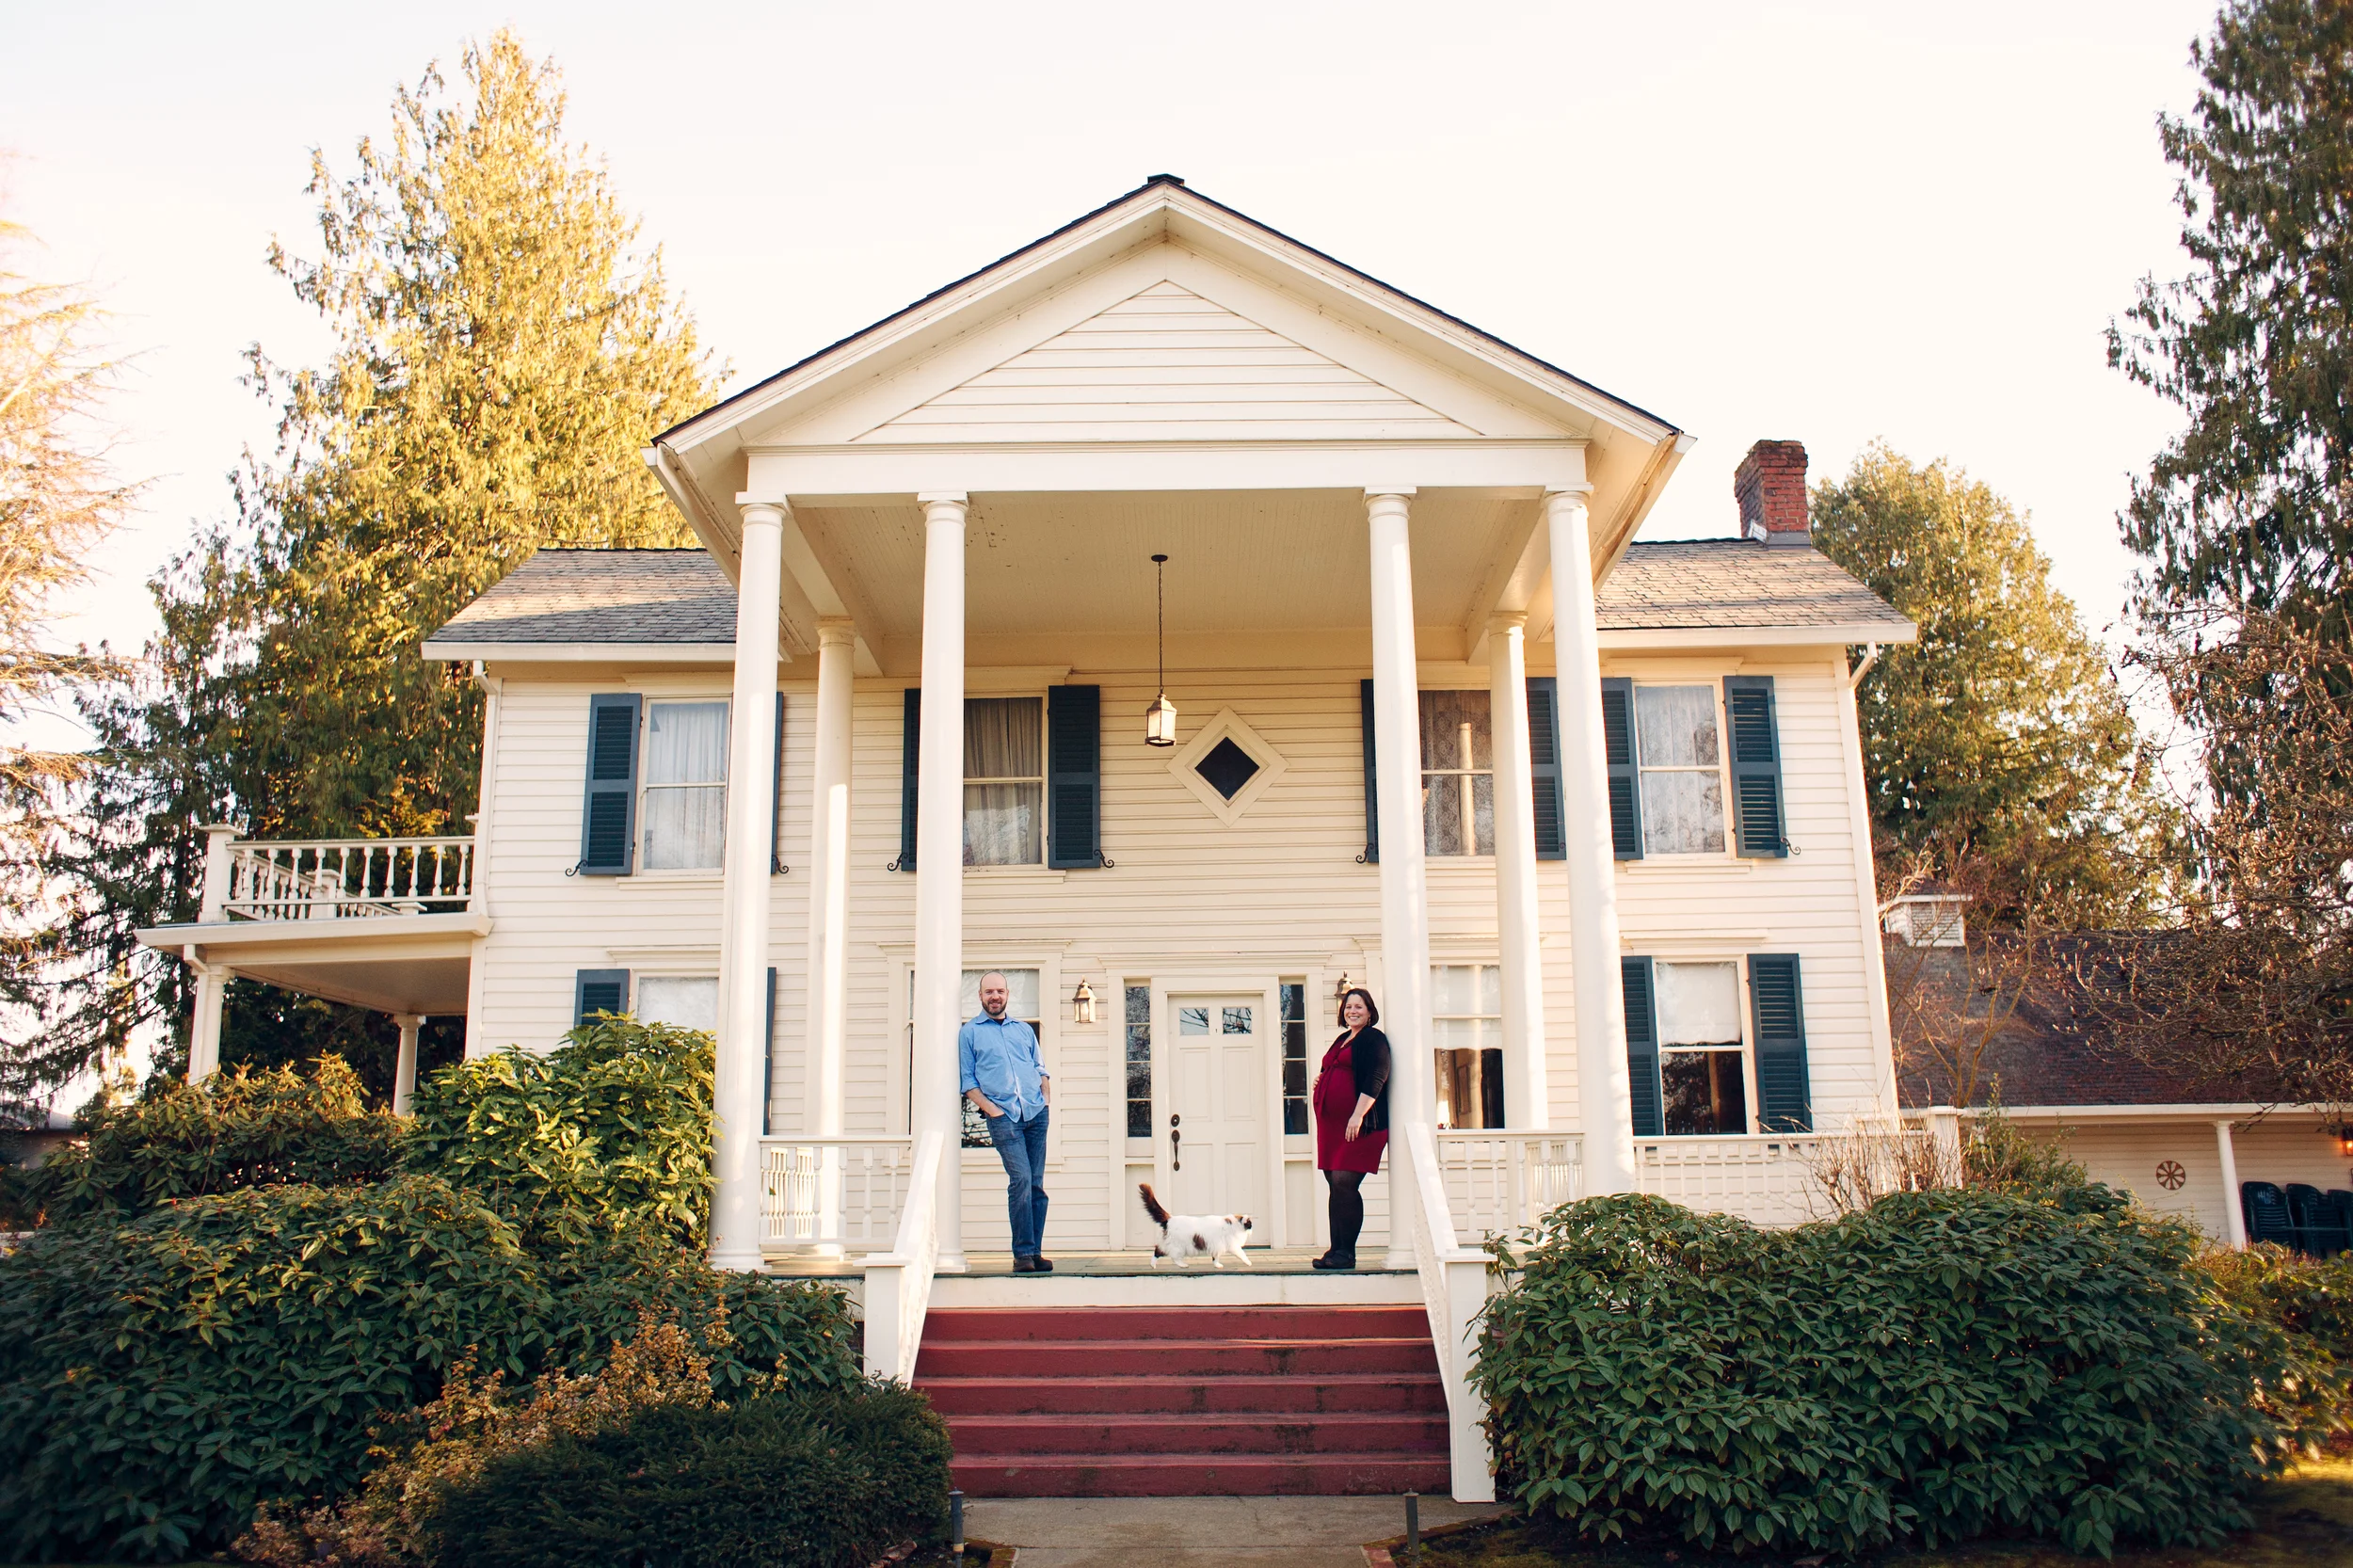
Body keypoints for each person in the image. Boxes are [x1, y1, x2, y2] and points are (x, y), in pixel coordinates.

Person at [959, 970, 1053, 1272]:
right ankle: (1022, 1254)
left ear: (1008, 994)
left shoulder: (1024, 1030)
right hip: (1004, 1117)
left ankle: (1035, 1253)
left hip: (1035, 1114)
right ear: (981, 996)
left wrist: (1045, 1098)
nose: (995, 996)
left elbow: (1039, 1066)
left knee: (1036, 1185)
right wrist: (991, 1109)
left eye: (1000, 991)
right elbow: (968, 1080)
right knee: (1021, 1180)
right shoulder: (970, 1033)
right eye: (989, 992)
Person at [1311, 986, 1389, 1270]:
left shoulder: (1373, 1039)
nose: (1352, 1011)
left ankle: (1348, 1253)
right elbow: (1331, 1068)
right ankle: (1336, 1250)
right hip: (1333, 1127)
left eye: (1359, 1006)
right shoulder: (1343, 1039)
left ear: (1370, 1012)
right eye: (1348, 1007)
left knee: (1345, 1182)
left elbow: (1376, 1077)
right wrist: (1322, 1081)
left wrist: (1357, 1115)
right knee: (1335, 1184)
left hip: (1361, 1124)